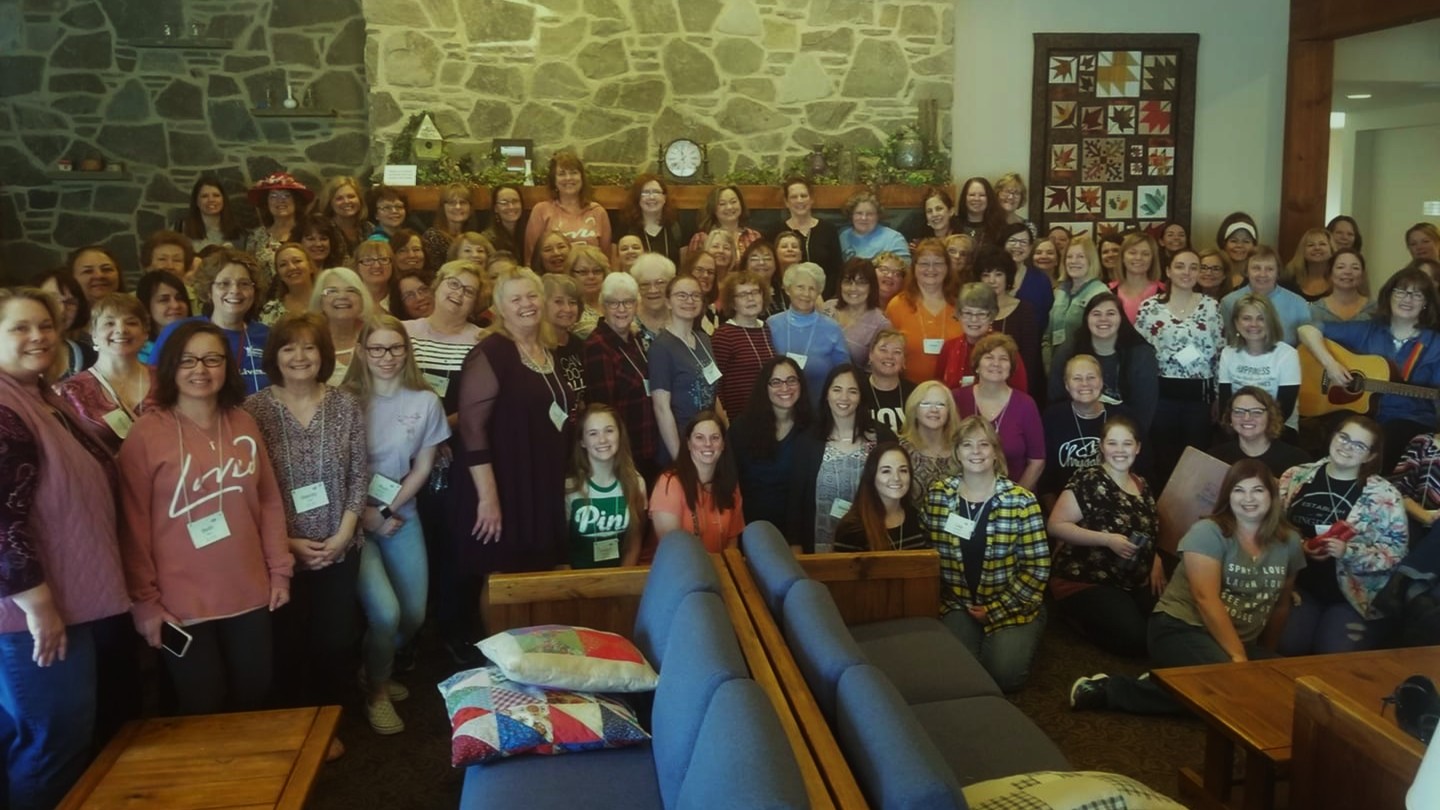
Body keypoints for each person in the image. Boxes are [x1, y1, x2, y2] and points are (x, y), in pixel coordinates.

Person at [117, 320, 293, 715]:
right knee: (203, 703)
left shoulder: (243, 422)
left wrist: (280, 570)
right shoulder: (145, 434)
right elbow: (132, 525)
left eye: (212, 359)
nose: (201, 369)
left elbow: (268, 500)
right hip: (179, 600)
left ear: (227, 366)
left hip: (249, 588)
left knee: (255, 688)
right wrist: (144, 602)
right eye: (188, 360)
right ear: (170, 367)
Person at [0, 288, 130, 810]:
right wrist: (39, 607)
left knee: (36, 740)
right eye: (20, 328)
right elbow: (1, 521)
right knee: (53, 747)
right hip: (31, 618)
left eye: (46, 326)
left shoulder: (38, 397)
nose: (38, 337)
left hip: (62, 604)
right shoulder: (4, 408)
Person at [1069, 459, 1304, 714]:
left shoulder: (1289, 541)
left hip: (1235, 640)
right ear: (1228, 496)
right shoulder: (1208, 532)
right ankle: (1112, 690)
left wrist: (1265, 659)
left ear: (1272, 496)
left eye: (1257, 490)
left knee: (1289, 687)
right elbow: (1205, 599)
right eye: (1239, 490)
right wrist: (1238, 660)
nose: (1248, 498)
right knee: (1231, 690)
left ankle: (1176, 682)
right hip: (1179, 628)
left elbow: (1280, 605)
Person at [243, 314, 365, 751]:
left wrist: (343, 535)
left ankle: (329, 725)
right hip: (281, 553)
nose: (300, 356)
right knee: (288, 644)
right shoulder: (252, 411)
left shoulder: (346, 404)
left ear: (323, 354)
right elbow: (250, 489)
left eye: (309, 346)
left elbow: (358, 475)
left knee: (336, 641)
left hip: (338, 545)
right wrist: (287, 544)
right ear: (274, 355)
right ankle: (294, 728)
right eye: (288, 347)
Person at [342, 316, 448, 734]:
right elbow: (336, 468)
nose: (387, 357)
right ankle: (378, 690)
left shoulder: (425, 401)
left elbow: (422, 468)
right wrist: (363, 516)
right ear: (362, 353)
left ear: (407, 350)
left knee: (413, 616)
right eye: (377, 349)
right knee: (385, 614)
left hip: (400, 513)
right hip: (351, 520)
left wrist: (384, 512)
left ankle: (373, 667)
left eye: (395, 348)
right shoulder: (344, 400)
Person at [454, 267, 577, 599]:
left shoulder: (546, 350)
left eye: (532, 296)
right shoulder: (491, 352)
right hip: (503, 483)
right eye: (516, 299)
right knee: (501, 578)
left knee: (541, 574)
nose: (527, 304)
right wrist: (488, 498)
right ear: (500, 308)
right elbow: (472, 430)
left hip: (541, 481)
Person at [923, 416, 1049, 692]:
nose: (976, 451)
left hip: (1011, 605)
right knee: (953, 671)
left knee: (1004, 677)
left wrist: (996, 610)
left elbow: (1037, 567)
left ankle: (1035, 623)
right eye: (967, 445)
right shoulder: (938, 496)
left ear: (995, 452)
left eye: (984, 444)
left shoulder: (1021, 500)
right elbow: (927, 554)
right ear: (957, 452)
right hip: (958, 603)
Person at [1277, 416, 1406, 654]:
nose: (1347, 447)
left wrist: (1349, 552)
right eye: (1344, 437)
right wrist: (1300, 546)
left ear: (1370, 456)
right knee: (1288, 644)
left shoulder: (1385, 496)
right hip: (1299, 585)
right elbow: (1272, 528)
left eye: (1359, 445)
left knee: (1333, 652)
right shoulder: (1295, 476)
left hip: (1352, 596)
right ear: (1333, 436)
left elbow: (1395, 554)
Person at [1298, 267, 1440, 468]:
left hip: (1409, 417)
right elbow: (1307, 329)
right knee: (1341, 428)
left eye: (1417, 294)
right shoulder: (1368, 330)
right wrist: (1331, 365)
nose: (1407, 299)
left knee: (1391, 435)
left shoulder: (1435, 344)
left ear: (1426, 303)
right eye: (1400, 291)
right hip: (1362, 414)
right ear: (1388, 296)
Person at [1046, 416, 1163, 657]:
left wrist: (1156, 559)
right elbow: (1056, 526)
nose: (1120, 450)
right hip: (1086, 578)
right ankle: (1074, 620)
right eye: (1112, 443)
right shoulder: (1088, 479)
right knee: (1136, 640)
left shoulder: (1142, 484)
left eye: (1127, 443)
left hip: (1132, 579)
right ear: (1101, 446)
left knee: (1164, 627)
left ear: (1138, 447)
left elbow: (1149, 529)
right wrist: (1107, 540)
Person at [1136, 248, 1223, 488]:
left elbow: (1219, 353)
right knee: (1163, 458)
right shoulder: (1150, 308)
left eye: (1194, 267)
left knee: (1195, 459)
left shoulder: (1211, 306)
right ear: (1168, 270)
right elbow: (1140, 355)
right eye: (1180, 266)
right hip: (1161, 395)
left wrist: (1218, 396)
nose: (1187, 272)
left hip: (1199, 397)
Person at [789, 364, 892, 553]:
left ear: (861, 397)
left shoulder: (882, 437)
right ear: (826, 394)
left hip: (873, 542)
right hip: (820, 544)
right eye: (837, 389)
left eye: (852, 391)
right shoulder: (808, 441)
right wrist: (795, 544)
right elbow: (795, 499)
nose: (844, 397)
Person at [154, 247, 271, 394]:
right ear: (209, 291)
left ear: (254, 291)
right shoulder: (178, 332)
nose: (235, 290)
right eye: (224, 284)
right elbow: (153, 384)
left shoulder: (268, 337)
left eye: (244, 284)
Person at [53, 294, 155, 455]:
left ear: (145, 333)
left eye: (131, 322)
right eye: (109, 323)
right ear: (93, 334)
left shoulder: (166, 380)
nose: (121, 330)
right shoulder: (72, 390)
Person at [583, 271, 660, 485]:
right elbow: (603, 410)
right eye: (613, 303)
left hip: (647, 447)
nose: (621, 309)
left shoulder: (635, 339)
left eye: (628, 302)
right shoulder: (597, 346)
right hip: (622, 453)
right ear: (603, 306)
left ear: (637, 305)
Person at [1048, 292, 1159, 437]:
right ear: (1086, 318)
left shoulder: (1141, 355)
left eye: (1110, 313)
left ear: (1121, 318)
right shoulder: (1069, 350)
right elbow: (1056, 398)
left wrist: (1130, 440)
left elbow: (1144, 410)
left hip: (1124, 436)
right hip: (1076, 432)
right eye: (1096, 314)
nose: (1103, 319)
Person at [952, 334, 1045, 493]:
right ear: (977, 366)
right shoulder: (956, 399)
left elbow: (1037, 461)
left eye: (1003, 359)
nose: (996, 363)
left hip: (1015, 497)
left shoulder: (1026, 404)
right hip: (963, 494)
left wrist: (1014, 498)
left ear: (1011, 368)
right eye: (989, 357)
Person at [1039, 354, 1137, 503]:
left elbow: (1141, 470)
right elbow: (1045, 479)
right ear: (1067, 384)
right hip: (1064, 506)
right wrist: (1056, 514)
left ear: (1101, 381)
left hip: (1117, 504)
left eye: (1091, 377)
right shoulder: (1052, 417)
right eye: (1077, 378)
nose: (1085, 383)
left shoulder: (1124, 416)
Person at [730, 357, 811, 531]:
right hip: (752, 525)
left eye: (791, 380)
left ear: (801, 384)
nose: (785, 388)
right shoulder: (742, 428)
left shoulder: (812, 428)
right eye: (776, 382)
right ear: (764, 387)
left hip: (797, 526)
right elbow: (730, 481)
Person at [648, 411, 744, 555]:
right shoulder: (669, 483)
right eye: (699, 438)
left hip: (719, 566)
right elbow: (672, 549)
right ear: (688, 443)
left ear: (723, 444)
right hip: (679, 566)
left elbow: (732, 541)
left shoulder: (730, 483)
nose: (708, 444)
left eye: (715, 438)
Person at [650, 273, 721, 466]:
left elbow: (712, 389)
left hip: (708, 438)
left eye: (695, 295)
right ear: (668, 302)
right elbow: (661, 408)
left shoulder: (704, 339)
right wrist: (680, 459)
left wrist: (725, 431)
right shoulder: (661, 347)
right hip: (681, 439)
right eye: (681, 295)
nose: (689, 301)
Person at [564, 405, 645, 568]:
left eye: (609, 431)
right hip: (577, 579)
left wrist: (621, 578)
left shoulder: (636, 482)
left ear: (620, 434)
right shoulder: (569, 487)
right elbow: (561, 547)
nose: (602, 440)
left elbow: (635, 540)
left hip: (620, 577)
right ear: (582, 441)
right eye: (593, 433)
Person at [1217, 294, 1302, 436]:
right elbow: (1225, 405)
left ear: (1271, 322)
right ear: (1236, 323)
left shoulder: (1287, 354)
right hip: (1238, 428)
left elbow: (1285, 409)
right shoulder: (1228, 353)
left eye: (1261, 318)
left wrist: (1255, 436)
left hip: (1278, 429)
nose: (1253, 324)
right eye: (1246, 318)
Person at [767, 262, 848, 405]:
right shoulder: (771, 324)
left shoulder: (832, 328)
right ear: (788, 289)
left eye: (812, 289)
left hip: (820, 408)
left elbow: (844, 373)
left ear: (818, 293)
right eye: (800, 287)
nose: (806, 294)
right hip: (779, 407)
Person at [886, 238, 960, 384]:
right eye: (924, 263)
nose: (931, 269)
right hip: (908, 388)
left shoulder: (961, 304)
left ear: (947, 268)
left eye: (938, 263)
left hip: (954, 390)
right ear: (914, 267)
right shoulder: (897, 305)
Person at [974, 245, 1043, 396]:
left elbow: (1031, 361)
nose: (992, 281)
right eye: (986, 275)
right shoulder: (972, 312)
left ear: (1008, 276)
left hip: (1015, 389)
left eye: (998, 274)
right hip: (977, 388)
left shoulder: (1024, 311)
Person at [833, 443, 928, 552]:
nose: (896, 478)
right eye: (886, 471)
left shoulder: (917, 518)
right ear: (872, 476)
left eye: (903, 470)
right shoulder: (851, 528)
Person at [936, 283, 1028, 391]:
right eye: (968, 313)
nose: (974, 319)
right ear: (959, 315)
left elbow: (1019, 394)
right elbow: (938, 389)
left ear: (992, 316)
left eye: (981, 314)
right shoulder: (949, 347)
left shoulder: (1006, 349)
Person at [712, 270, 775, 417]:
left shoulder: (767, 328)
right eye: (742, 294)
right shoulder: (723, 335)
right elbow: (716, 385)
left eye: (755, 292)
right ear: (732, 303)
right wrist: (724, 420)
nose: (750, 298)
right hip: (738, 417)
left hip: (769, 413)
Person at [1210, 387, 1311, 476]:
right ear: (1230, 417)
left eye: (1256, 412)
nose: (1246, 418)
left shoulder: (1297, 460)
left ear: (1270, 416)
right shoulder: (1215, 457)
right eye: (1238, 411)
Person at [898, 380, 963, 509]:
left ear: (949, 411)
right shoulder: (899, 449)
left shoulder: (961, 449)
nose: (934, 410)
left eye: (941, 404)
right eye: (926, 404)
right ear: (914, 410)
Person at [1048, 236, 1108, 367]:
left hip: (1086, 368)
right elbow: (1049, 333)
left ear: (1091, 260)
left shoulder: (1101, 293)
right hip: (1057, 364)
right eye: (1069, 257)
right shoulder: (1060, 291)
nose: (1073, 261)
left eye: (1080, 256)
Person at [773, 177, 841, 292]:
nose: (799, 200)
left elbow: (837, 269)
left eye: (804, 196)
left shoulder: (828, 229)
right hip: (787, 295)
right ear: (786, 202)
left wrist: (822, 297)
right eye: (794, 197)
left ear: (811, 199)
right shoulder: (775, 231)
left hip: (825, 296)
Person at [827, 258, 893, 370]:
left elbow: (877, 369)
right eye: (848, 282)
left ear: (871, 287)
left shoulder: (881, 324)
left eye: (861, 283)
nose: (853, 288)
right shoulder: (827, 307)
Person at [311, 266, 373, 384]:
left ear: (362, 299)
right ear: (320, 301)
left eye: (351, 290)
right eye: (332, 291)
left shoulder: (375, 335)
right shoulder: (310, 341)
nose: (342, 296)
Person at [245, 172, 311, 281]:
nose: (280, 200)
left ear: (296, 201)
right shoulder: (256, 237)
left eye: (286, 195)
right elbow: (250, 272)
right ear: (266, 203)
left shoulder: (309, 231)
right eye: (273, 196)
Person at [541, 273, 588, 417]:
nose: (567, 309)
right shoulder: (536, 348)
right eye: (558, 302)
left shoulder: (579, 344)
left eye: (572, 302)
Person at [998, 223, 1053, 342]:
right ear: (1003, 244)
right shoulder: (992, 276)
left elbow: (1045, 317)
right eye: (1012, 241)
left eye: (1023, 242)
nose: (1017, 246)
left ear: (1030, 247)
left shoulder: (1041, 280)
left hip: (1030, 344)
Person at [618, 173, 683, 265]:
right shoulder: (625, 227)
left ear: (664, 197)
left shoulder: (676, 226)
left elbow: (684, 265)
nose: (651, 197)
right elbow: (616, 264)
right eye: (645, 192)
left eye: (656, 192)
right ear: (637, 197)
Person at [37, 270, 92, 378]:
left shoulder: (89, 356)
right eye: (52, 299)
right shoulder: (10, 354)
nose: (62, 309)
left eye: (70, 302)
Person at [688, 185, 761, 263]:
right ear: (713, 208)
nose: (729, 207)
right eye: (722, 204)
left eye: (733, 202)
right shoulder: (701, 238)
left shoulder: (754, 236)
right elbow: (692, 267)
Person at [860, 329, 913, 433]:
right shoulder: (857, 391)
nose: (889, 356)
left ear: (903, 360)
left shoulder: (915, 393)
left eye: (897, 352)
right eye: (883, 350)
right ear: (871, 355)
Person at [135, 270, 191, 364]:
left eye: (179, 298)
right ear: (146, 306)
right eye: (164, 300)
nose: (175, 305)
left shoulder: (203, 341)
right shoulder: (136, 351)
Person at [838, 191, 909, 264]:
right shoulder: (842, 235)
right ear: (851, 215)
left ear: (878, 216)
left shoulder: (894, 239)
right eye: (859, 213)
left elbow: (905, 268)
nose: (864, 218)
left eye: (870, 214)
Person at [177, 175, 244, 253]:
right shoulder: (180, 229)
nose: (211, 200)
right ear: (196, 201)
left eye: (216, 195)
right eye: (204, 196)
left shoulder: (238, 233)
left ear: (223, 199)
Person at [1308, 248, 1374, 325]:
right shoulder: (1314, 310)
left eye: (1355, 268)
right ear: (1330, 273)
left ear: (1362, 275)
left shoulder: (1375, 309)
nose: (1348, 272)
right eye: (1340, 267)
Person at [1110, 232, 1164, 323]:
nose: (1138, 258)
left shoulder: (1165, 291)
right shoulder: (1107, 291)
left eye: (1145, 254)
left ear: (1153, 259)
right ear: (1122, 257)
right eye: (1132, 253)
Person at [422, 183, 477, 271]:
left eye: (463, 202)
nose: (458, 207)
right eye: (452, 203)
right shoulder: (433, 237)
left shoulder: (474, 236)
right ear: (442, 207)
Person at [259, 243, 317, 325]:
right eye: (283, 265)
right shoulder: (271, 310)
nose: (291, 267)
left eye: (297, 261)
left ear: (310, 267)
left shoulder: (329, 300)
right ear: (279, 275)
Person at [630, 253, 676, 349]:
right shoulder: (627, 321)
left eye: (660, 283)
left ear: (672, 284)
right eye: (645, 284)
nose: (653, 290)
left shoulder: (682, 317)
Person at [564, 244, 609, 338]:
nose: (591, 276)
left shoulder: (614, 301)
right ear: (571, 274)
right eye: (583, 272)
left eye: (597, 271)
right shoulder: (569, 309)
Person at [319, 176, 372, 253]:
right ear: (330, 203)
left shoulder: (369, 228)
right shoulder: (322, 229)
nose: (346, 201)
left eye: (351, 196)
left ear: (360, 200)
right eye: (339, 198)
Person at [1286, 227, 1335, 301]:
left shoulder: (1341, 281)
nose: (1317, 248)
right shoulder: (1289, 281)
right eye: (1311, 245)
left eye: (1322, 244)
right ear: (1303, 251)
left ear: (1331, 250)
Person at [743, 238, 789, 317]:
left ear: (776, 264)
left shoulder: (786, 290)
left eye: (767, 259)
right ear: (745, 265)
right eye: (755, 259)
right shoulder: (740, 293)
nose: (761, 263)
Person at [352, 237, 399, 313]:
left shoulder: (402, 297)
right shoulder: (350, 299)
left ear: (392, 265)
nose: (377, 265)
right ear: (357, 267)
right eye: (368, 260)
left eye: (383, 259)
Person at [956, 177, 1007, 246]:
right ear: (964, 198)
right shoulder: (953, 225)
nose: (977, 199)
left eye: (982, 195)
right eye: (972, 195)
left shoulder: (1000, 228)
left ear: (989, 198)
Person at [482, 183, 526, 258]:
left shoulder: (529, 232)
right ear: (495, 208)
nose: (511, 207)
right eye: (504, 203)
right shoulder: (487, 239)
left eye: (515, 201)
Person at [689, 241, 724, 334]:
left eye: (710, 272)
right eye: (699, 270)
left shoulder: (712, 309)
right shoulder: (680, 307)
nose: (705, 275)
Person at [1216, 214, 1259, 289]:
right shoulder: (1213, 275)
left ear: (1254, 245)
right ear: (1224, 244)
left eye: (1246, 241)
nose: (1239, 245)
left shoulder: (1260, 277)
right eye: (1234, 241)